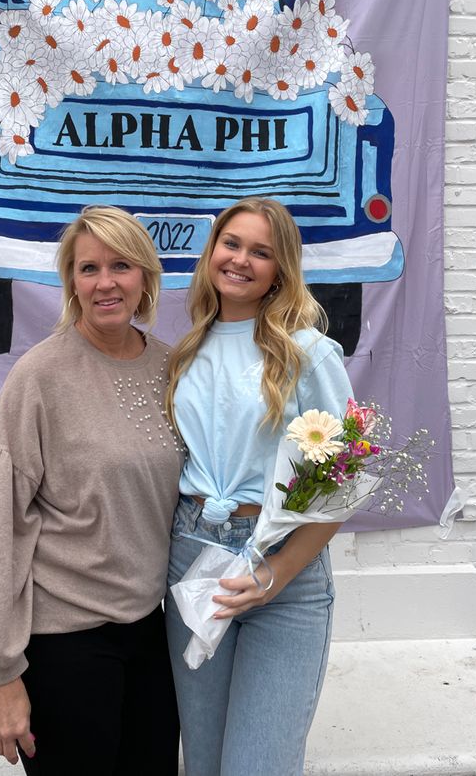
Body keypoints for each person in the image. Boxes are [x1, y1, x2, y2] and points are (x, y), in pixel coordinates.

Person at [0, 205, 183, 776]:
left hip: (151, 632)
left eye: (121, 266)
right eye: (88, 269)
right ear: (71, 282)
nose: (105, 282)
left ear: (145, 277)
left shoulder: (171, 368)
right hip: (64, 644)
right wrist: (1, 674)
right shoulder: (40, 376)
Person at [165, 196, 353, 776]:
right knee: (202, 760)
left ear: (281, 269)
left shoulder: (308, 353)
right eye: (232, 244)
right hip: (192, 559)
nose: (241, 260)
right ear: (212, 252)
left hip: (281, 569)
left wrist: (275, 575)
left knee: (258, 764)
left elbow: (341, 486)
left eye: (262, 252)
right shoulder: (184, 352)